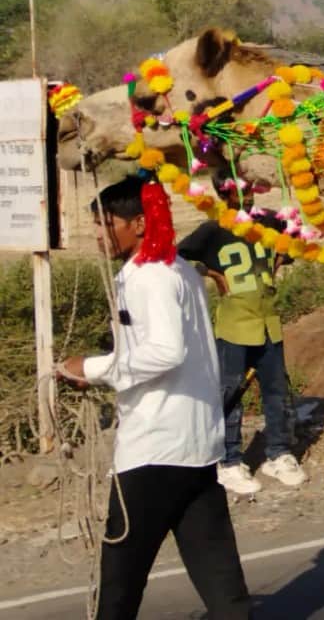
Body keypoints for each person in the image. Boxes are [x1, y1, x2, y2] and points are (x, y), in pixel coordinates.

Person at [59, 175, 251, 619]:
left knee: (119, 583)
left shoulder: (148, 276)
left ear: (140, 224)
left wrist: (91, 368)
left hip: (153, 451)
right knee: (221, 582)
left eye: (107, 224)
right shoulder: (177, 268)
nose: (98, 234)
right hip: (196, 448)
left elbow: (165, 352)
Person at [177, 211, 305, 495]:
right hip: (234, 325)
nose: (242, 195)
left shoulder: (269, 222)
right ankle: (229, 460)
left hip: (267, 322)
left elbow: (296, 240)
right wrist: (213, 274)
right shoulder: (213, 230)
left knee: (276, 389)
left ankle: (278, 453)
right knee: (230, 393)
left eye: (247, 190)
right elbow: (178, 255)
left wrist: (278, 262)